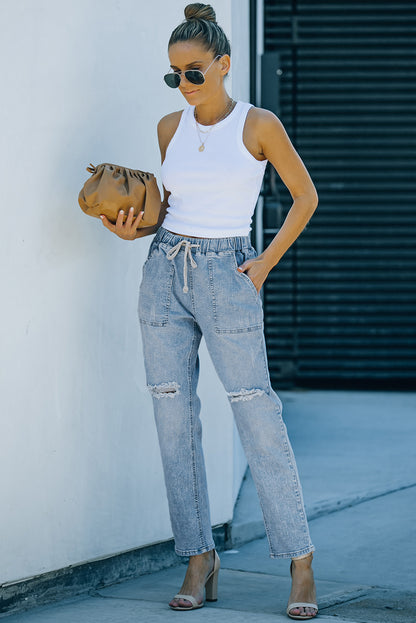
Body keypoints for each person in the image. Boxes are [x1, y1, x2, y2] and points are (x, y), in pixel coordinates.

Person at [100, 3, 319, 619]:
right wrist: (134, 230)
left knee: (257, 414)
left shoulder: (259, 125)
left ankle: (300, 563)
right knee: (173, 417)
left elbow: (306, 196)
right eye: (175, 75)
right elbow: (169, 214)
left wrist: (266, 262)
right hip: (164, 272)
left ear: (224, 64)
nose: (185, 85)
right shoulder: (170, 128)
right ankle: (199, 558)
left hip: (228, 273)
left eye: (194, 72)